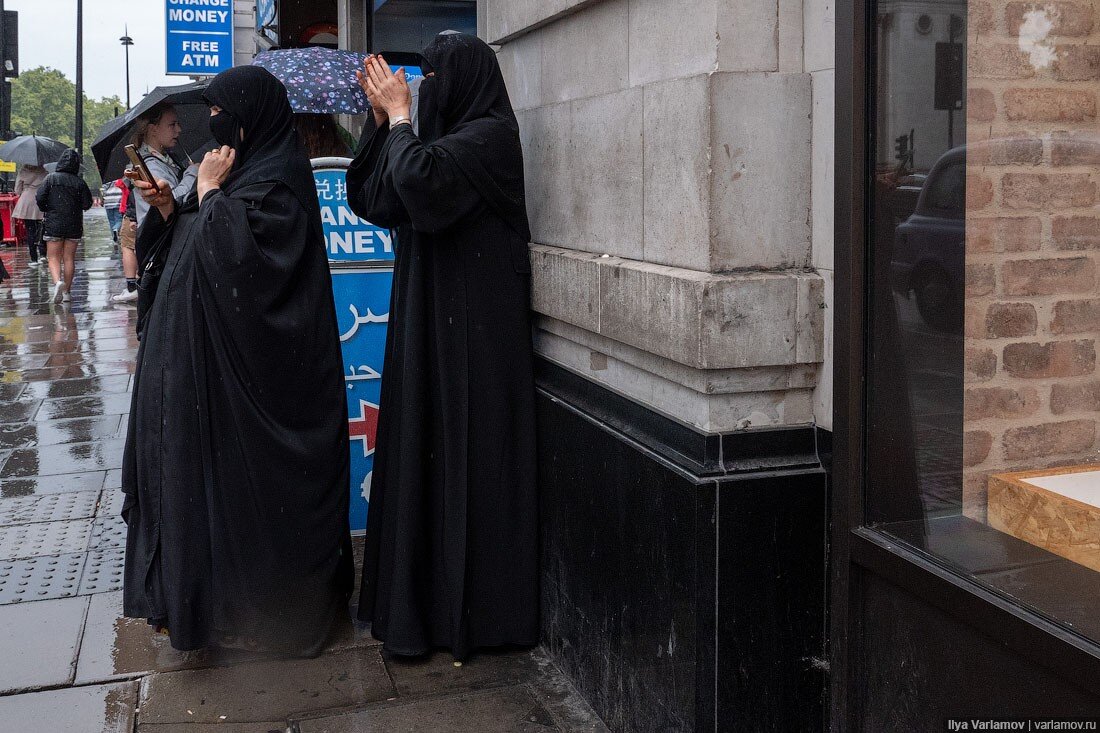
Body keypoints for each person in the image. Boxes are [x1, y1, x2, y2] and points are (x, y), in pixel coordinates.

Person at [122, 64, 352, 656]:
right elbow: (196, 247)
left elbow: (246, 268)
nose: (214, 128)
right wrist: (173, 211)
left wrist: (208, 194)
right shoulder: (242, 174)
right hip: (209, 386)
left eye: (224, 115)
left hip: (262, 391)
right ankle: (212, 605)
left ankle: (272, 616)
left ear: (254, 118)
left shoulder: (277, 181)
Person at [346, 35, 538, 661]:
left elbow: (422, 184)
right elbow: (375, 198)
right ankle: (420, 609)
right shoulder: (434, 142)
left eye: (435, 77)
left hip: (477, 340)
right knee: (426, 466)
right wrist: (381, 125)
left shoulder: (489, 138)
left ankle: (475, 619)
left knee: (470, 470)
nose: (425, 88)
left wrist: (401, 121)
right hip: (431, 330)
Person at [114, 102, 197, 304]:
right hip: (162, 251)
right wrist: (193, 173)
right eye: (172, 124)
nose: (179, 129)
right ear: (153, 128)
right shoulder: (150, 165)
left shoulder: (165, 159)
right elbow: (171, 201)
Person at [35, 149, 92, 304]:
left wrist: (47, 207)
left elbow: (40, 197)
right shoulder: (79, 182)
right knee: (69, 258)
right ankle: (67, 292)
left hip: (54, 222)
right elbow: (87, 203)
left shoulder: (50, 179)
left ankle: (57, 282)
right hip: (74, 223)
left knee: (53, 256)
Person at [13, 163, 46, 268]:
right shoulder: (44, 171)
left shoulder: (23, 171)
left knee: (30, 230)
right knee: (42, 228)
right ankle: (43, 254)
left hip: (27, 200)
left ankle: (33, 258)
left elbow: (17, 190)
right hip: (40, 199)